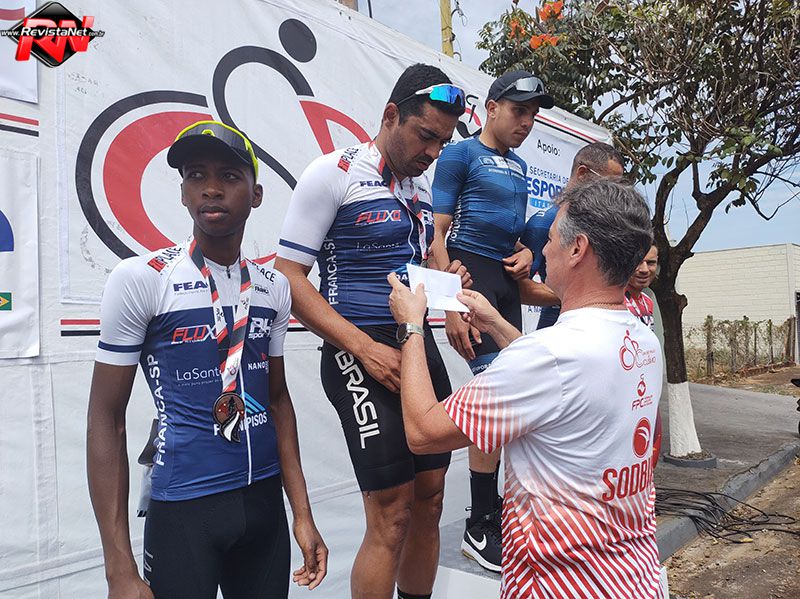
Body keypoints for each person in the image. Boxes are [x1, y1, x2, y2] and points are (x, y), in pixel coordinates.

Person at [387, 179, 663, 598]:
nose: (544, 251)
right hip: (635, 580)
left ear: (578, 249)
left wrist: (411, 325)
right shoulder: (642, 340)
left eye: (550, 239)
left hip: (559, 584)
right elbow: (563, 390)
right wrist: (498, 324)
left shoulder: (549, 356)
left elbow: (424, 432)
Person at [87, 121, 327, 599]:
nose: (211, 189)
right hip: (183, 510)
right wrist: (118, 568)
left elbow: (278, 401)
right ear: (182, 193)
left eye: (229, 176)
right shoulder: (141, 279)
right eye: (196, 175)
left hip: (264, 508)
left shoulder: (273, 288)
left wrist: (302, 513)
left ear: (256, 195)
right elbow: (105, 418)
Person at [274, 64, 467, 599]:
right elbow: (288, 278)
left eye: (442, 142)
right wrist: (363, 348)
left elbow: (420, 261)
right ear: (390, 115)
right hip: (354, 347)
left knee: (431, 497)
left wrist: (449, 292)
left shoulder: (420, 187)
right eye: (425, 135)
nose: (433, 152)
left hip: (413, 341)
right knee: (393, 510)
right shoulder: (332, 173)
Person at [429, 70, 554, 572]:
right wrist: (451, 305)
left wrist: (525, 254)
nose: (526, 122)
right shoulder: (459, 155)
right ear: (492, 107)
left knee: (512, 397)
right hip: (470, 278)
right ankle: (479, 523)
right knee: (496, 401)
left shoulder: (520, 166)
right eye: (519, 111)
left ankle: (497, 513)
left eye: (533, 115)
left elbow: (514, 238)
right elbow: (436, 238)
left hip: (505, 286)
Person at [520, 141, 625, 327]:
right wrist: (581, 293)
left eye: (618, 187)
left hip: (603, 329)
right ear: (582, 173)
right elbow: (518, 289)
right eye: (607, 184)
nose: (611, 193)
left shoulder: (608, 226)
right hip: (556, 329)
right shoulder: (544, 223)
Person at [625, 244, 658, 331]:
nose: (645, 270)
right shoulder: (611, 301)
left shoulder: (647, 301)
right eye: (637, 262)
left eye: (650, 263)